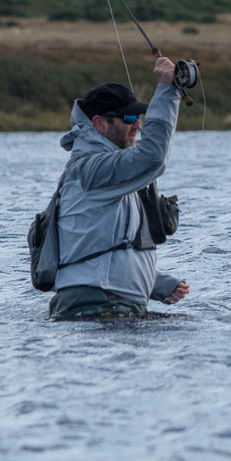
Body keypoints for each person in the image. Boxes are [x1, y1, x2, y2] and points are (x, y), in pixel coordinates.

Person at [48, 57, 190, 320]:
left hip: (106, 301)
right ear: (100, 123)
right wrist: (167, 90)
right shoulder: (92, 169)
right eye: (128, 117)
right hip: (97, 305)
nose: (138, 124)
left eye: (139, 116)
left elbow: (100, 246)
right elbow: (152, 157)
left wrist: (156, 284)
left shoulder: (111, 175)